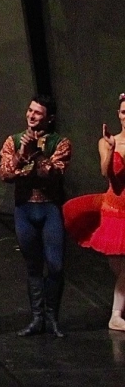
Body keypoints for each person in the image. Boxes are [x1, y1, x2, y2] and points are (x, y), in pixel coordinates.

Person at [0, 95, 70, 336]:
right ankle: (37, 318)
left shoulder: (60, 143)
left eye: (37, 112)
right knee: (33, 266)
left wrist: (36, 153)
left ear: (49, 118)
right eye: (30, 110)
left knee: (56, 265)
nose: (31, 115)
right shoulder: (14, 140)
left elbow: (53, 173)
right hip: (25, 209)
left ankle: (52, 317)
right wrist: (21, 154)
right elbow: (5, 173)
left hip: (50, 209)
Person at [65, 97, 125, 331]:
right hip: (114, 210)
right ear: (118, 114)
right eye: (123, 112)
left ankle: (115, 315)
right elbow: (105, 172)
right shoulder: (107, 141)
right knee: (118, 269)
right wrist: (111, 149)